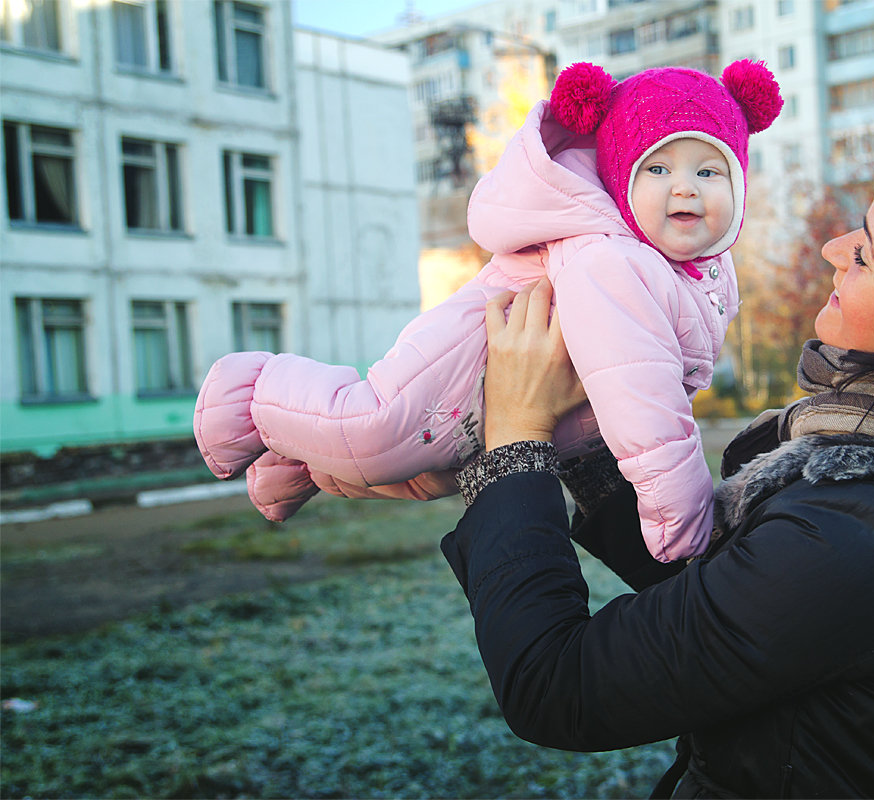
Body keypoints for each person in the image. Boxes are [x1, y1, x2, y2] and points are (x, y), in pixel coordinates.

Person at [440, 139, 874, 797]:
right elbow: (731, 596)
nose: (834, 249)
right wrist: (590, 446)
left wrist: (515, 443)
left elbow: (559, 686)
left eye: (864, 252)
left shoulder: (866, 533)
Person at [192, 61, 783, 562]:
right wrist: (683, 521)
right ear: (619, 176)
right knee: (372, 430)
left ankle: (296, 465)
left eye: (709, 171)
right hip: (469, 361)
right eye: (658, 169)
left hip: (534, 412)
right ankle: (248, 391)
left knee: (422, 476)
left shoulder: (701, 269)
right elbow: (644, 401)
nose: (686, 189)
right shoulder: (613, 261)